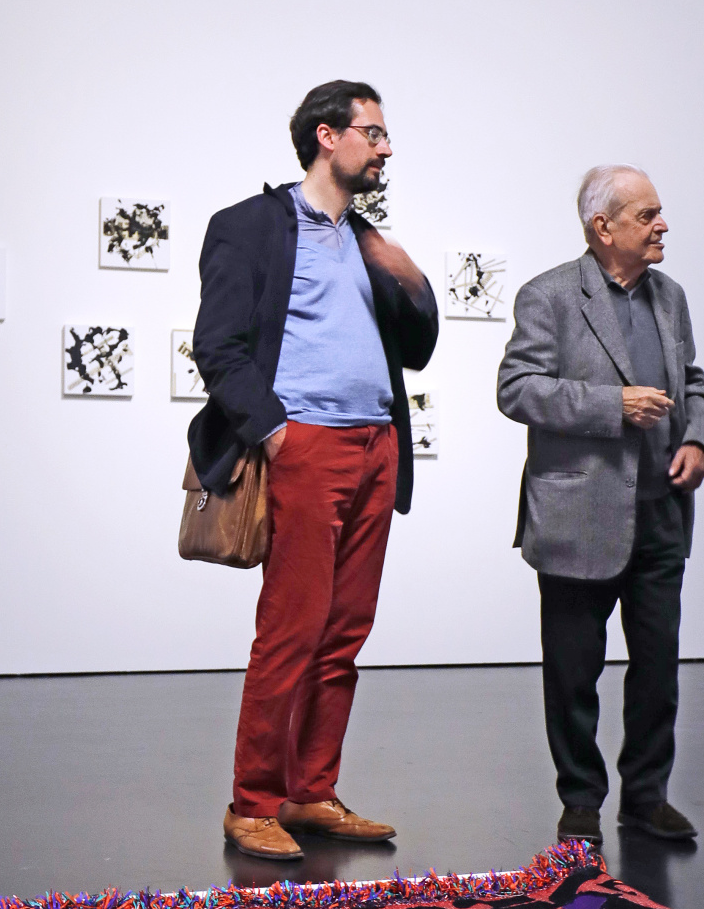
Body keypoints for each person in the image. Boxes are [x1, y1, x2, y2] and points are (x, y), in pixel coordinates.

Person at [189, 80, 440, 861]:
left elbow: (418, 349)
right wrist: (273, 433)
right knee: (291, 630)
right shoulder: (248, 227)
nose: (386, 147)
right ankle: (252, 803)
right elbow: (218, 347)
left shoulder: (369, 241)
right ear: (328, 137)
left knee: (343, 633)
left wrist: (413, 282)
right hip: (304, 447)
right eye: (374, 132)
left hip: (376, 447)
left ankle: (310, 791)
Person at [497, 164, 704, 846]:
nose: (663, 226)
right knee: (572, 674)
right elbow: (517, 389)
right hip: (576, 515)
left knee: (659, 669)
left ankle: (646, 797)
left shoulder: (670, 296)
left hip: (660, 513)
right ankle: (582, 800)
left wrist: (699, 442)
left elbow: (695, 384)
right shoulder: (550, 296)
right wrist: (610, 406)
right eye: (648, 215)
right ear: (604, 227)